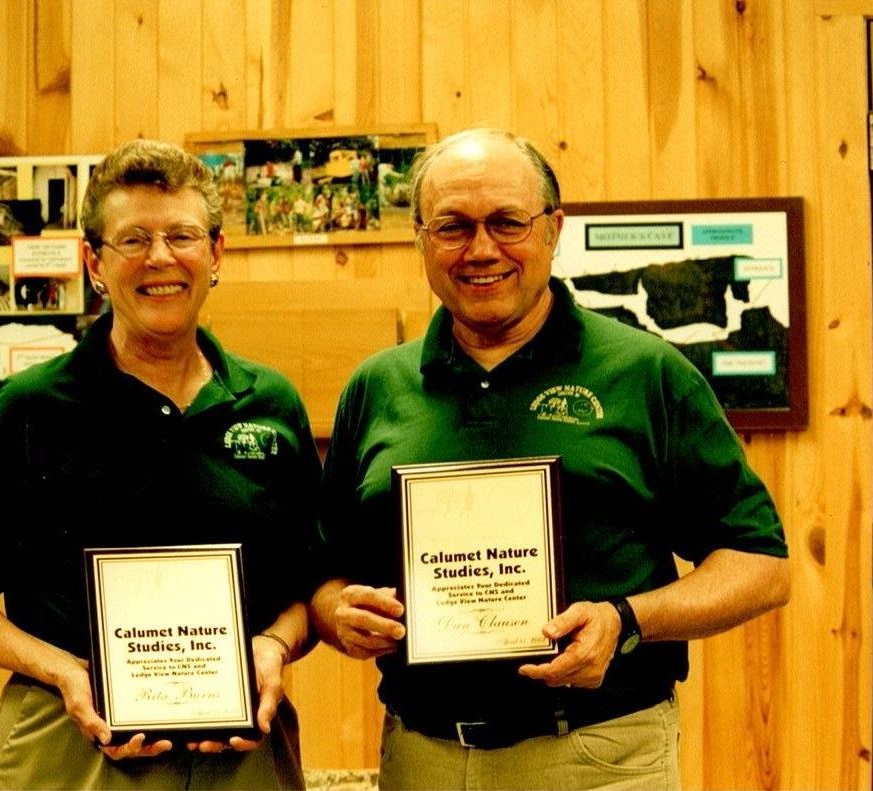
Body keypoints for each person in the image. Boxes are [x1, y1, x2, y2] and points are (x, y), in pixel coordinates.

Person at [310, 128, 790, 790]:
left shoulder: (645, 372)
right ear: (420, 238)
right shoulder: (376, 386)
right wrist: (340, 615)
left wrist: (625, 620)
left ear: (552, 229)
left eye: (507, 222)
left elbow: (762, 566)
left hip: (598, 756)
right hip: (422, 757)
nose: (481, 249)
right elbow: (325, 571)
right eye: (452, 226)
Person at [0, 139, 322, 790]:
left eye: (182, 236)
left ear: (216, 254)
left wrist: (274, 645)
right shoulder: (28, 411)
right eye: (133, 239)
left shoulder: (270, 403)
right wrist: (61, 670)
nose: (160, 258)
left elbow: (310, 584)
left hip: (243, 748)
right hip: (74, 746)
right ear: (94, 263)